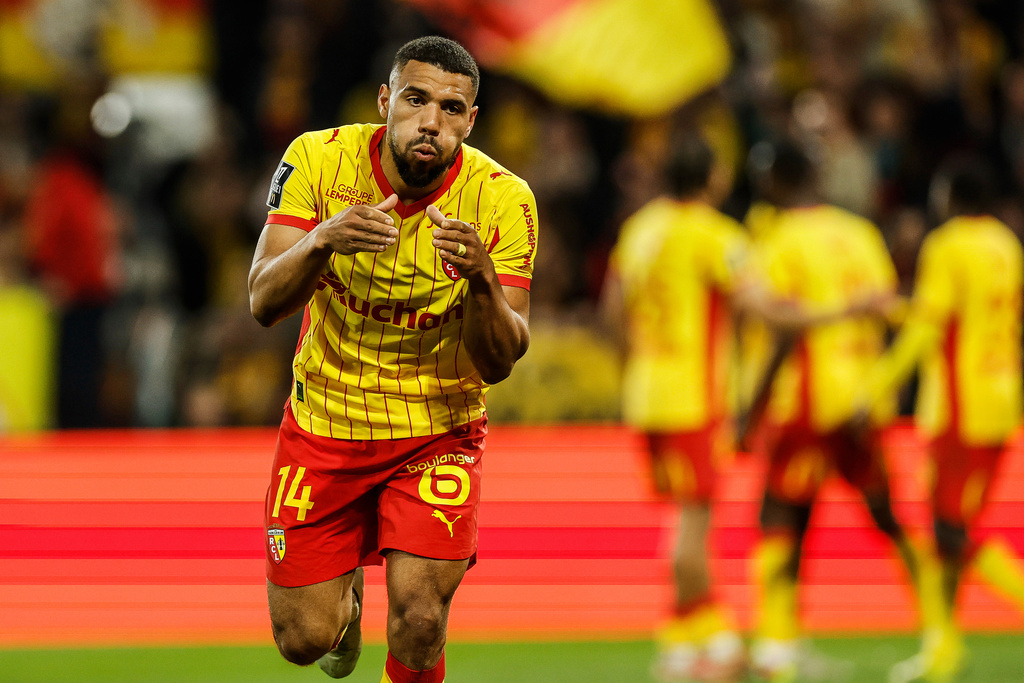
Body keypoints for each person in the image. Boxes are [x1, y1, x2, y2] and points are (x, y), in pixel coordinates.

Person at [247, 36, 536, 683]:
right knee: (302, 637)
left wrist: (484, 279)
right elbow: (263, 299)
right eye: (415, 99)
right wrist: (323, 239)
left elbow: (502, 359)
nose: (431, 121)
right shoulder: (317, 161)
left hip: (437, 427)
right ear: (385, 101)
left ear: (471, 120)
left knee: (421, 616)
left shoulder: (503, 199)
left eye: (451, 108)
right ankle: (342, 610)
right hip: (325, 425)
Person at [741, 140, 923, 682]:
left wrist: (750, 411)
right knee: (886, 514)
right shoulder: (860, 233)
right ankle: (940, 623)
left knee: (779, 518)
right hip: (861, 399)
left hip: (804, 402)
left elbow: (780, 332)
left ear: (775, 183)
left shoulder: (776, 240)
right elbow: (886, 311)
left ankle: (776, 644)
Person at [853, 157, 1024, 683]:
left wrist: (874, 386)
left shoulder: (947, 245)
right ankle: (942, 647)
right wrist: (895, 310)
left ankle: (948, 640)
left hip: (958, 407)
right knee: (950, 529)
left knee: (947, 532)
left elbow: (931, 330)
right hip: (1001, 400)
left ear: (950, 198)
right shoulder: (1006, 245)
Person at [602, 135, 748, 682]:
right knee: (695, 521)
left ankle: (682, 644)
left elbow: (611, 309)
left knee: (681, 518)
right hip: (695, 396)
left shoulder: (640, 228)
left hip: (647, 389)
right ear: (713, 177)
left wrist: (633, 364)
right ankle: (714, 636)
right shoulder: (715, 234)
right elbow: (753, 299)